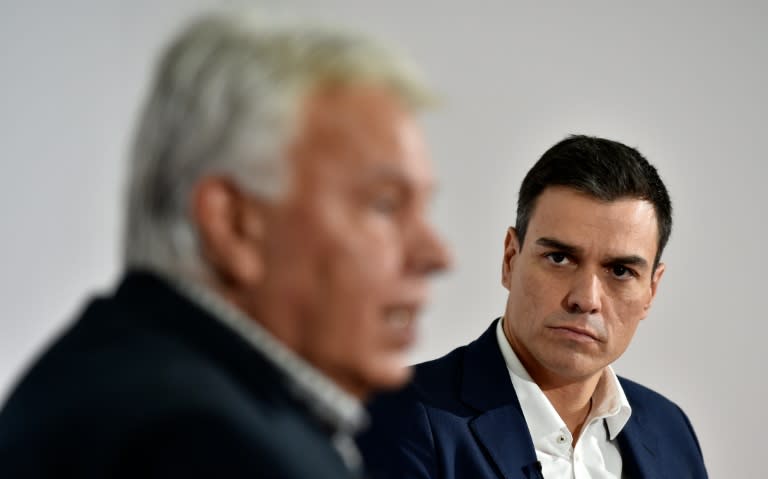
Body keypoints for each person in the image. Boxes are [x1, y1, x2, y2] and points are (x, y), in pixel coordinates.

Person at [0, 10, 450, 478]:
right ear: (234, 224)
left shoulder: (110, 371)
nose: (436, 254)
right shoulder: (211, 445)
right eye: (385, 205)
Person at [358, 135, 708, 478]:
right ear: (510, 258)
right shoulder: (399, 416)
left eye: (620, 271)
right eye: (559, 258)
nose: (585, 299)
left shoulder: (670, 432)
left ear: (651, 289)